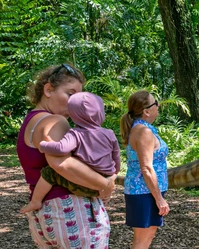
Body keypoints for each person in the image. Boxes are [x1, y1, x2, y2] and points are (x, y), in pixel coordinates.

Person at [17, 63, 115, 248]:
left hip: (44, 216)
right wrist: (105, 184)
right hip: (72, 212)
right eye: (70, 94)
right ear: (48, 90)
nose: (74, 103)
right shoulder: (56, 120)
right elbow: (62, 164)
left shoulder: (30, 121)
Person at [20, 91, 121, 214]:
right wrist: (114, 172)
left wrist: (44, 145)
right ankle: (102, 198)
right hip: (105, 178)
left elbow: (61, 148)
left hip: (86, 183)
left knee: (49, 172)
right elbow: (116, 155)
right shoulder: (109, 133)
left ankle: (36, 200)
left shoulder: (75, 134)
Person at [120, 90, 170, 249]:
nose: (158, 105)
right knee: (142, 241)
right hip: (144, 192)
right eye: (155, 103)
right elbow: (147, 168)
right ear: (146, 111)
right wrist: (159, 199)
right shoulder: (144, 132)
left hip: (146, 192)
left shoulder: (142, 129)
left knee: (146, 238)